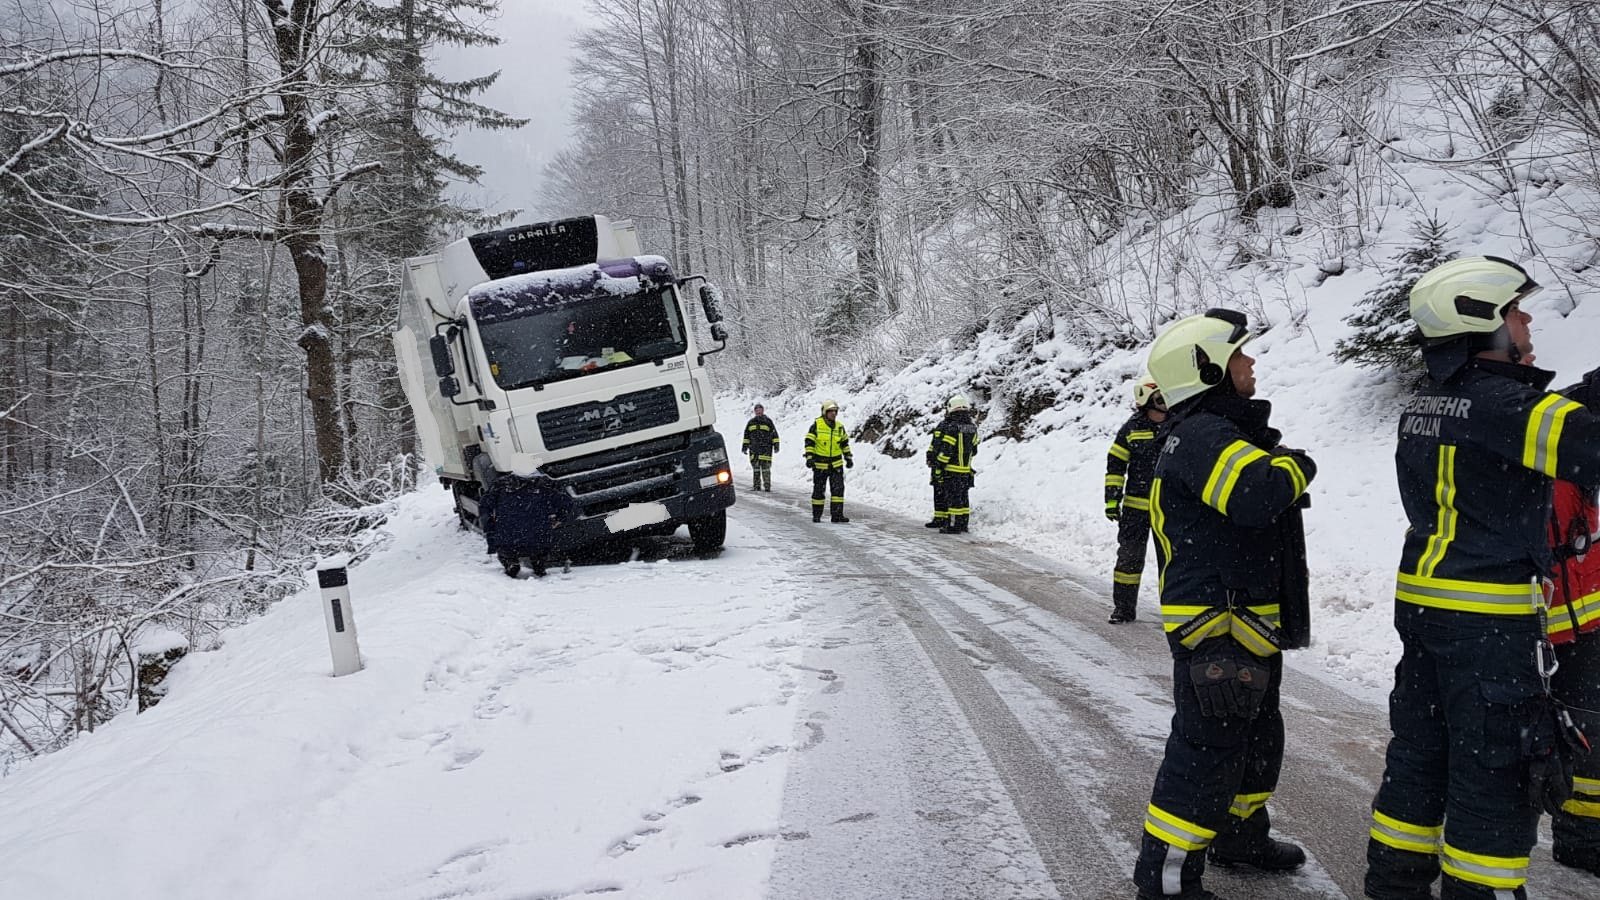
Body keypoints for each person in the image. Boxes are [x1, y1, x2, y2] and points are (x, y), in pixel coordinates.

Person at [1363, 257, 1600, 900]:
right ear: (1482, 322)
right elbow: (1582, 444)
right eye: (1515, 311)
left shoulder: (1429, 401)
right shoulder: (1503, 406)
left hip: (1427, 612)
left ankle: (1394, 883)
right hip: (1489, 624)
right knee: (1497, 771)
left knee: (1420, 756)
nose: (1527, 320)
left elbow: (1520, 425)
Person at [1133, 308, 1316, 900]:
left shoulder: (1210, 431)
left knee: (1256, 741)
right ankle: (1165, 881)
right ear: (1207, 368)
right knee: (1206, 754)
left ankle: (1240, 836)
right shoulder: (1203, 436)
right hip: (1221, 627)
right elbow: (1258, 493)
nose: (1251, 361)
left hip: (1242, 623)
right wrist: (1296, 464)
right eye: (1239, 354)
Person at [1546, 370, 1600, 881]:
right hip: (1539, 620)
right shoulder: (1552, 436)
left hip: (1586, 612)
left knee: (1590, 730)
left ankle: (1584, 835)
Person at [1105, 371, 1170, 623]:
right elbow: (1115, 465)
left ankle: (1177, 614)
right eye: (1160, 398)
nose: (1166, 403)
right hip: (1136, 509)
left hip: (1170, 509)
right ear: (1146, 400)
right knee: (1129, 561)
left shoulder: (1178, 425)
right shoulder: (1131, 429)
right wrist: (1112, 500)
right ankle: (1123, 609)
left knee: (1174, 564)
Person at [479, 468, 576, 578]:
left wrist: (490, 526)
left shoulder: (500, 485)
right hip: (538, 540)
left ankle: (510, 562)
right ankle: (539, 564)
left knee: (505, 547)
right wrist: (558, 519)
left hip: (507, 540)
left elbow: (484, 506)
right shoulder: (545, 485)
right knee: (540, 544)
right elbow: (567, 503)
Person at [925, 394, 980, 533]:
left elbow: (947, 449)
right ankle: (962, 523)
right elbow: (974, 450)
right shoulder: (971, 427)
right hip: (965, 470)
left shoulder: (952, 427)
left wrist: (938, 463)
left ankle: (954, 525)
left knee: (953, 498)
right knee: (962, 498)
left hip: (951, 470)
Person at [804, 399, 853, 523]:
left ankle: (837, 515)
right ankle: (817, 515)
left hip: (836, 464)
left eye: (835, 411)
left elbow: (844, 444)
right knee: (819, 491)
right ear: (825, 412)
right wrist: (809, 458)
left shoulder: (840, 427)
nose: (834, 414)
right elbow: (809, 443)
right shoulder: (816, 425)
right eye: (831, 411)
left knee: (838, 491)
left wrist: (848, 457)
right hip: (820, 464)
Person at [741, 403, 780, 492]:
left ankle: (767, 486)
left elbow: (774, 434)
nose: (758, 412)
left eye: (760, 410)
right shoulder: (751, 423)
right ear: (754, 412)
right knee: (756, 469)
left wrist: (776, 445)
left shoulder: (768, 422)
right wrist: (744, 447)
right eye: (757, 410)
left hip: (766, 449)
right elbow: (746, 436)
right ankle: (756, 486)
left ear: (763, 410)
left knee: (766, 468)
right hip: (754, 450)